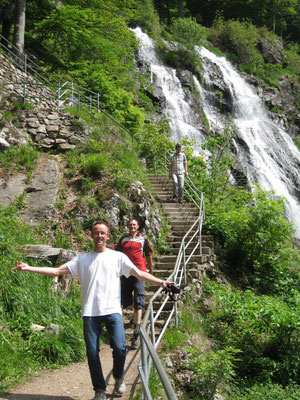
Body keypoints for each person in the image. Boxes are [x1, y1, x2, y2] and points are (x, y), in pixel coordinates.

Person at [11, 220, 173, 400]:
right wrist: (28, 268)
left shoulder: (117, 258)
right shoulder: (82, 259)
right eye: (96, 232)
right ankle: (99, 390)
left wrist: (162, 282)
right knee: (92, 352)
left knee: (120, 347)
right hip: (90, 312)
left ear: (108, 236)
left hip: (113, 310)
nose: (99, 236)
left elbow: (140, 274)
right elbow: (57, 271)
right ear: (91, 235)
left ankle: (119, 377)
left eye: (103, 233)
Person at [115, 218, 153, 349]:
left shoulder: (143, 240)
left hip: (139, 272)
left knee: (138, 300)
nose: (132, 226)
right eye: (130, 224)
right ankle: (138, 311)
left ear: (138, 226)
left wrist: (151, 271)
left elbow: (148, 255)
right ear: (127, 226)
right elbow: (116, 254)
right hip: (126, 273)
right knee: (126, 301)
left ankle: (136, 334)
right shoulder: (123, 240)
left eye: (134, 224)